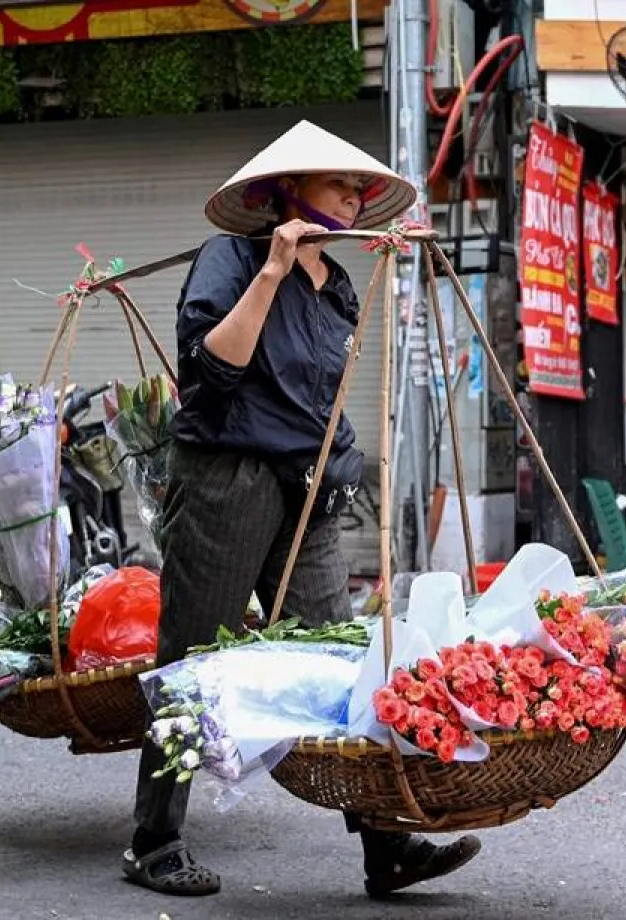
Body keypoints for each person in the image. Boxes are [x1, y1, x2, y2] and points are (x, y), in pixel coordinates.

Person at [121, 121, 480, 898]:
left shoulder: (339, 282)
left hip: (308, 484)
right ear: (289, 192)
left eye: (358, 187)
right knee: (192, 658)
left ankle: (385, 845)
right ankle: (154, 841)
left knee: (347, 661)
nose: (354, 196)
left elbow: (321, 394)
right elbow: (213, 373)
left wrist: (344, 462)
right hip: (229, 479)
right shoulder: (235, 257)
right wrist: (272, 271)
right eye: (337, 184)